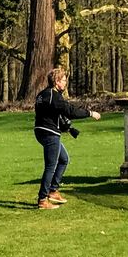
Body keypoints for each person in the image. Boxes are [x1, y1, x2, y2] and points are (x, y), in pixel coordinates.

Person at [33, 67, 101, 210]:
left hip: (41, 131)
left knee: (64, 159)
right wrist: (90, 113)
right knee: (50, 166)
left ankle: (53, 191)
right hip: (50, 133)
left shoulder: (42, 94)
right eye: (63, 80)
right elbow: (70, 111)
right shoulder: (54, 95)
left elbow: (54, 114)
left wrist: (68, 128)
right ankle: (42, 200)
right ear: (57, 81)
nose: (65, 84)